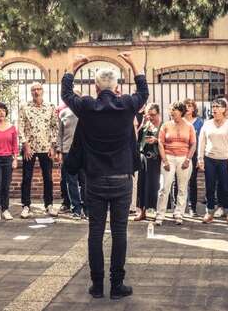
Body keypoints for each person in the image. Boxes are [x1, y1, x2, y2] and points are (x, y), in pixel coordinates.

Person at [62, 52, 148, 299]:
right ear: (117, 86)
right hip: (122, 178)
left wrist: (72, 67)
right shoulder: (128, 105)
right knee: (119, 232)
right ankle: (117, 285)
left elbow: (66, 94)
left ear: (96, 86)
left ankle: (97, 285)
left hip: (95, 179)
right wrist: (133, 64)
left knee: (96, 231)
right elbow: (144, 92)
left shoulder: (87, 106)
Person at [18, 82, 59, 218]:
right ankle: (26, 205)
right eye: (34, 90)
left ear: (42, 91)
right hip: (29, 148)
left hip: (46, 147)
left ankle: (49, 205)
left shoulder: (50, 107)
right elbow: (20, 126)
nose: (36, 92)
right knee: (27, 177)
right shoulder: (25, 107)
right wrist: (25, 145)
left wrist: (53, 146)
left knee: (48, 177)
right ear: (31, 92)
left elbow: (55, 127)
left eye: (38, 89)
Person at [155, 102, 196, 226]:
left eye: (175, 110)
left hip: (184, 158)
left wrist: (188, 159)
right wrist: (165, 160)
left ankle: (179, 213)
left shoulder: (189, 126)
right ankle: (160, 214)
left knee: (182, 188)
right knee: (164, 187)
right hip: (169, 157)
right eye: (171, 110)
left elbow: (193, 144)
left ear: (181, 111)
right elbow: (160, 143)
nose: (172, 112)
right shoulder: (166, 125)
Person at [198, 98, 228, 224]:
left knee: (226, 187)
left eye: (218, 106)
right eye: (213, 106)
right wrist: (200, 159)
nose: (214, 109)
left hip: (225, 160)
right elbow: (201, 142)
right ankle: (209, 212)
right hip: (209, 159)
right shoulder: (207, 123)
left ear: (224, 109)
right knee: (210, 187)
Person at [56, 88, 84, 219]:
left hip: (84, 151)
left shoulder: (86, 112)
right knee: (70, 181)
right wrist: (59, 152)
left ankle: (87, 208)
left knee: (85, 181)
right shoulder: (63, 113)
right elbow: (59, 135)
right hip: (68, 151)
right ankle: (76, 208)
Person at [134, 103, 162, 221]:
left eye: (153, 115)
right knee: (142, 184)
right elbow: (136, 137)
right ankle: (142, 211)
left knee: (155, 185)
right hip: (144, 158)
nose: (150, 117)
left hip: (156, 159)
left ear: (158, 114)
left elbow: (167, 142)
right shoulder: (146, 125)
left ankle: (156, 210)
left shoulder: (163, 126)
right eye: (148, 114)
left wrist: (156, 140)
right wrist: (143, 124)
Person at [183, 99, 203, 216]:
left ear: (194, 108)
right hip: (180, 153)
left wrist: (200, 157)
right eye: (185, 106)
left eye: (190, 106)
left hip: (194, 154)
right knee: (177, 181)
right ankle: (178, 207)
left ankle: (192, 207)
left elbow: (201, 140)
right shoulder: (179, 121)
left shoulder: (199, 122)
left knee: (192, 181)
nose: (187, 108)